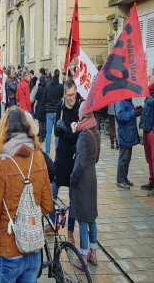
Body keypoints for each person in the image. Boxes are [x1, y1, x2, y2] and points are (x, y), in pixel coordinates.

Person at [0, 106, 53, 282]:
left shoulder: (3, 162)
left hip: (9, 248)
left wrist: (5, 228)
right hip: (33, 249)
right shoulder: (38, 157)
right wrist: (30, 219)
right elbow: (47, 205)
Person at [46, 80, 80, 242]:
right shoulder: (60, 106)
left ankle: (71, 230)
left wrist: (66, 131)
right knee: (52, 189)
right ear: (64, 94)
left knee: (74, 194)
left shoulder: (80, 109)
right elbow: (55, 132)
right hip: (61, 155)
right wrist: (57, 129)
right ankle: (52, 221)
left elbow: (77, 135)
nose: (71, 98)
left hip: (73, 156)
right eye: (68, 95)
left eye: (73, 95)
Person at [70, 102, 101, 269]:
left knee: (82, 219)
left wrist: (72, 179)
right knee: (91, 218)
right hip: (92, 178)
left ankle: (82, 257)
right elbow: (95, 158)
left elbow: (79, 164)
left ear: (82, 114)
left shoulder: (83, 135)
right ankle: (93, 254)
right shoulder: (95, 131)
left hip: (82, 180)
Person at [115, 99, 141, 189]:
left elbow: (129, 112)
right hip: (124, 134)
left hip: (129, 134)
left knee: (128, 159)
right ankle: (120, 180)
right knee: (123, 159)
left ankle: (124, 178)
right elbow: (121, 116)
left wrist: (135, 110)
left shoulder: (128, 101)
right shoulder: (120, 101)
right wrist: (133, 112)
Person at [140, 68, 154, 195]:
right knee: (149, 158)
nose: (148, 78)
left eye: (149, 76)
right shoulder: (149, 92)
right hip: (147, 128)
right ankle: (151, 181)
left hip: (152, 130)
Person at [43, 69, 63, 155]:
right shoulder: (60, 86)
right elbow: (63, 97)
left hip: (49, 111)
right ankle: (57, 150)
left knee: (48, 132)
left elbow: (44, 98)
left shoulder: (47, 86)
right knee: (57, 133)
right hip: (57, 111)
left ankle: (47, 151)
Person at [35, 69, 48, 142]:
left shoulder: (39, 88)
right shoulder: (46, 88)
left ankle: (41, 136)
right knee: (44, 121)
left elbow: (36, 97)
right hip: (45, 106)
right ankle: (44, 134)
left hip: (40, 106)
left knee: (40, 122)